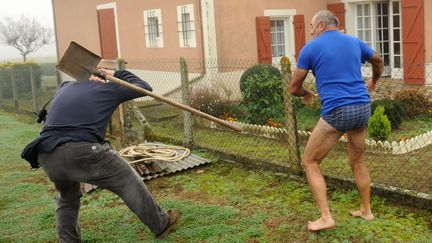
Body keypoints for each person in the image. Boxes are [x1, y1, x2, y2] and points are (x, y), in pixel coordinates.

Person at [22, 64, 180, 241]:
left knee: (67, 198)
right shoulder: (108, 89)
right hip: (81, 151)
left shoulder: (65, 87)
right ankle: (161, 224)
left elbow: (70, 89)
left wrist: (92, 75)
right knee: (128, 181)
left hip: (47, 154)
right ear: (102, 77)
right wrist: (116, 73)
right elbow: (144, 87)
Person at [289, 10, 384, 231]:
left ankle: (326, 218)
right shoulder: (353, 41)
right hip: (362, 108)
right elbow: (378, 60)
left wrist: (306, 93)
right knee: (358, 161)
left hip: (337, 111)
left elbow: (293, 87)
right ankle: (366, 211)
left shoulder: (310, 48)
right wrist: (374, 80)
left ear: (321, 25)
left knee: (310, 162)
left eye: (312, 26)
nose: (311, 31)